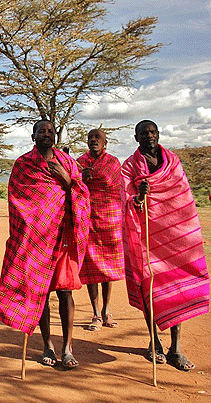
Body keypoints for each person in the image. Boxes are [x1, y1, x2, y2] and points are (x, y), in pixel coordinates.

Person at [0, 119, 90, 369]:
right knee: (41, 292)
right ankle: (47, 344)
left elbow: (82, 195)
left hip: (62, 238)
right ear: (33, 136)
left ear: (55, 136)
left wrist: (67, 180)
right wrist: (30, 228)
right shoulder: (23, 164)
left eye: (50, 131)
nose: (46, 135)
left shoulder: (68, 163)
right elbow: (18, 201)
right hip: (36, 240)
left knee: (65, 291)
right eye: (41, 131)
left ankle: (67, 347)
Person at [121, 120, 209, 371]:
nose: (148, 136)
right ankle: (154, 342)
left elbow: (182, 196)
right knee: (149, 288)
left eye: (152, 132)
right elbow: (124, 200)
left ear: (158, 135)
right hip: (145, 237)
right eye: (143, 133)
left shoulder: (173, 162)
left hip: (175, 237)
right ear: (136, 137)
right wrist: (139, 197)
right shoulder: (129, 167)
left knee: (177, 288)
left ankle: (176, 348)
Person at [76, 129, 124, 331]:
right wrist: (81, 178)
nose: (93, 141)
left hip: (110, 220)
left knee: (107, 268)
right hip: (86, 220)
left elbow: (118, 189)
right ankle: (95, 313)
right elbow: (72, 187)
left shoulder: (113, 162)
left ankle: (106, 310)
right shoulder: (79, 162)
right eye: (90, 138)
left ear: (105, 142)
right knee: (91, 268)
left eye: (97, 138)